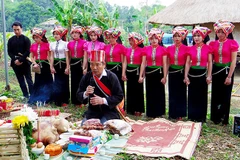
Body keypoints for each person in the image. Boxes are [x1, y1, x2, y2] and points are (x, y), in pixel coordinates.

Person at [76, 50, 124, 124]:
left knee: (103, 127)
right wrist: (86, 93)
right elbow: (78, 95)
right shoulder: (87, 77)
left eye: (97, 64)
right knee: (85, 127)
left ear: (104, 64)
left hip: (109, 111)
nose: (94, 68)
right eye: (92, 64)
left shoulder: (111, 77)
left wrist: (103, 100)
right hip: (93, 111)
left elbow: (119, 96)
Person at [209, 20, 239, 125]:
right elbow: (211, 60)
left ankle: (224, 118)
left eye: (222, 32)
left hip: (227, 71)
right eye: (218, 32)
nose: (220, 34)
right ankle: (215, 117)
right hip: (216, 71)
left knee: (225, 95)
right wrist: (210, 74)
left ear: (227, 33)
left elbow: (234, 61)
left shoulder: (232, 43)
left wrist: (229, 76)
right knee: (216, 94)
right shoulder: (213, 44)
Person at [184, 27, 213, 122]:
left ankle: (201, 117)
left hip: (202, 73)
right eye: (195, 36)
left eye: (199, 36)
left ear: (203, 37)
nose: (196, 38)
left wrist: (209, 75)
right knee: (192, 95)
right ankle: (192, 116)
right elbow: (188, 63)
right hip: (192, 73)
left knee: (202, 95)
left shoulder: (208, 48)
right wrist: (186, 76)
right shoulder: (190, 48)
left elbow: (210, 62)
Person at [139, 28, 168, 118]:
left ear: (159, 39)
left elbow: (164, 64)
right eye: (152, 39)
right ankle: (151, 112)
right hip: (149, 73)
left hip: (159, 73)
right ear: (149, 39)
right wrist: (141, 75)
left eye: (155, 38)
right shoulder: (145, 49)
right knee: (150, 92)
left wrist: (164, 76)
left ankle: (160, 112)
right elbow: (143, 63)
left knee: (159, 92)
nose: (154, 40)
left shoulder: (163, 49)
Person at [166, 26, 189, 120]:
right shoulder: (169, 48)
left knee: (181, 93)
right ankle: (172, 113)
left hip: (181, 72)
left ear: (182, 37)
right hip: (172, 73)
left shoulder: (186, 49)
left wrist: (186, 76)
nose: (176, 38)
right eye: (175, 36)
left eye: (178, 36)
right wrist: (165, 75)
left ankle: (180, 113)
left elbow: (187, 63)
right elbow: (167, 63)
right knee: (172, 92)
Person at [7, 21, 33, 99]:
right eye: (14, 30)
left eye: (18, 29)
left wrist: (20, 60)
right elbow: (9, 51)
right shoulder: (11, 40)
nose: (16, 31)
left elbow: (28, 51)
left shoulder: (26, 39)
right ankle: (25, 95)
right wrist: (15, 59)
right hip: (15, 63)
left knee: (29, 80)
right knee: (21, 81)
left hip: (25, 62)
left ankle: (32, 96)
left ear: (21, 29)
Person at [122, 32, 145, 116]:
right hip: (129, 71)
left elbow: (143, 63)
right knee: (130, 90)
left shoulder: (142, 50)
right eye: (129, 40)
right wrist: (123, 73)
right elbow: (124, 62)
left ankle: (138, 109)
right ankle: (130, 109)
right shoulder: (127, 49)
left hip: (137, 70)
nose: (131, 42)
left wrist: (141, 75)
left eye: (132, 40)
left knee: (138, 90)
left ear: (137, 40)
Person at [28, 28, 53, 104]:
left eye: (37, 37)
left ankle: (48, 98)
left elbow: (49, 57)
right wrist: (34, 63)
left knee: (47, 81)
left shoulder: (47, 45)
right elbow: (31, 57)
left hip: (45, 64)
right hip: (37, 65)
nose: (35, 39)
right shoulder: (33, 45)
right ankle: (37, 98)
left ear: (41, 37)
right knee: (38, 81)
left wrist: (51, 66)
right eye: (34, 38)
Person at [49, 26, 70, 106]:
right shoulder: (52, 44)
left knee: (64, 81)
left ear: (61, 35)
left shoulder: (65, 44)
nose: (55, 36)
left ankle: (65, 100)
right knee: (57, 82)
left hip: (63, 63)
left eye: (57, 34)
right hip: (56, 64)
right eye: (54, 34)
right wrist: (51, 66)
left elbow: (67, 56)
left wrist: (67, 67)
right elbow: (51, 56)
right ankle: (57, 100)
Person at [67, 26, 86, 106]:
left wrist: (84, 67)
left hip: (81, 63)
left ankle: (83, 101)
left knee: (82, 82)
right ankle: (75, 101)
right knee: (74, 82)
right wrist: (68, 66)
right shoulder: (70, 43)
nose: (74, 35)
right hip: (73, 63)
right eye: (73, 33)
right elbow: (69, 56)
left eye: (76, 33)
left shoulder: (84, 42)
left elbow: (85, 56)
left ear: (80, 34)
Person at [103, 28, 126, 93]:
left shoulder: (121, 47)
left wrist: (123, 73)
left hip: (118, 69)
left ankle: (120, 102)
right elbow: (104, 59)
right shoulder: (106, 47)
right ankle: (110, 101)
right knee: (109, 85)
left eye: (113, 37)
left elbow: (123, 61)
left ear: (116, 38)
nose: (111, 39)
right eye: (109, 38)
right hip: (108, 68)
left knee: (118, 85)